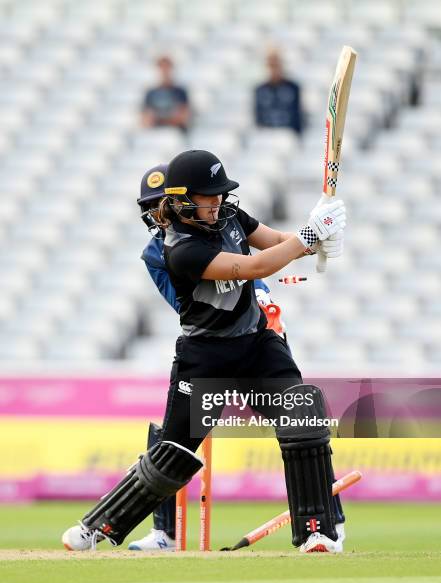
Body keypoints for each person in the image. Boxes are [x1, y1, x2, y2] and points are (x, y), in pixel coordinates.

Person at [62, 150, 346, 554]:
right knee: (173, 455)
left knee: (302, 414)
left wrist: (317, 238)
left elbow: (277, 243)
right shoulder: (180, 249)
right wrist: (310, 236)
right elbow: (256, 267)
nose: (217, 202)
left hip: (257, 347)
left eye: (219, 194)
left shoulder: (230, 217)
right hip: (205, 358)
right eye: (207, 196)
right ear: (180, 199)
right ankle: (99, 526)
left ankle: (318, 530)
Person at [129, 163, 283, 551]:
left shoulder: (219, 224)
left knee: (300, 426)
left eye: (157, 204)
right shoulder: (157, 252)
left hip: (254, 336)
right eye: (148, 207)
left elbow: (242, 261)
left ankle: (323, 520)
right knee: (172, 439)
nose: (154, 214)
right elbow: (188, 300)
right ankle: (164, 532)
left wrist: (262, 293)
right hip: (209, 345)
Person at [254, 48, 304, 135]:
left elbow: (297, 115)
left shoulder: (293, 88)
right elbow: (258, 117)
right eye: (271, 65)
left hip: (288, 135)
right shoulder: (260, 90)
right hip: (266, 135)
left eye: (276, 64)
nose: (274, 69)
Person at [140, 56, 190, 131]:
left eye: (167, 68)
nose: (164, 72)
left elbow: (183, 117)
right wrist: (171, 119)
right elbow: (146, 119)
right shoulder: (151, 93)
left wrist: (158, 121)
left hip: (176, 133)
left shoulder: (180, 92)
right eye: (162, 68)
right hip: (155, 134)